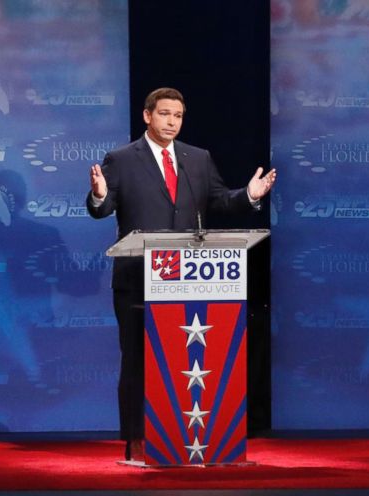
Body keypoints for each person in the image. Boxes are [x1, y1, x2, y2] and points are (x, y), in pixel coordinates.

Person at [86, 87, 276, 462]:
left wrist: (249, 195)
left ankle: (190, 437)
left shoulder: (197, 159)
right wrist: (98, 194)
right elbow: (103, 207)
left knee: (186, 358)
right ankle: (137, 440)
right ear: (147, 116)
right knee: (138, 361)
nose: (171, 122)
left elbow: (219, 199)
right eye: (164, 114)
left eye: (178, 116)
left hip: (188, 280)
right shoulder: (122, 159)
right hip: (138, 280)